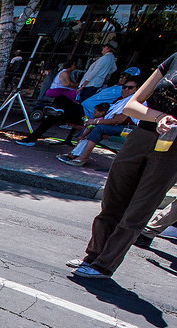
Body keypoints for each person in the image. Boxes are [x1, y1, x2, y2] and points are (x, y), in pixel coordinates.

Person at [68, 52, 177, 279]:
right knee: (112, 201)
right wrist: (159, 117)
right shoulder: (174, 60)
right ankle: (92, 256)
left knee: (138, 210)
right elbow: (131, 106)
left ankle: (104, 265)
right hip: (142, 137)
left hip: (173, 149)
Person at [57, 81, 139, 166]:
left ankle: (83, 157)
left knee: (98, 127)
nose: (126, 89)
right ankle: (74, 153)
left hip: (128, 129)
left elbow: (117, 120)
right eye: (124, 87)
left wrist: (95, 121)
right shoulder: (120, 100)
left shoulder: (133, 101)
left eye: (130, 88)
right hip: (117, 126)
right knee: (92, 126)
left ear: (137, 89)